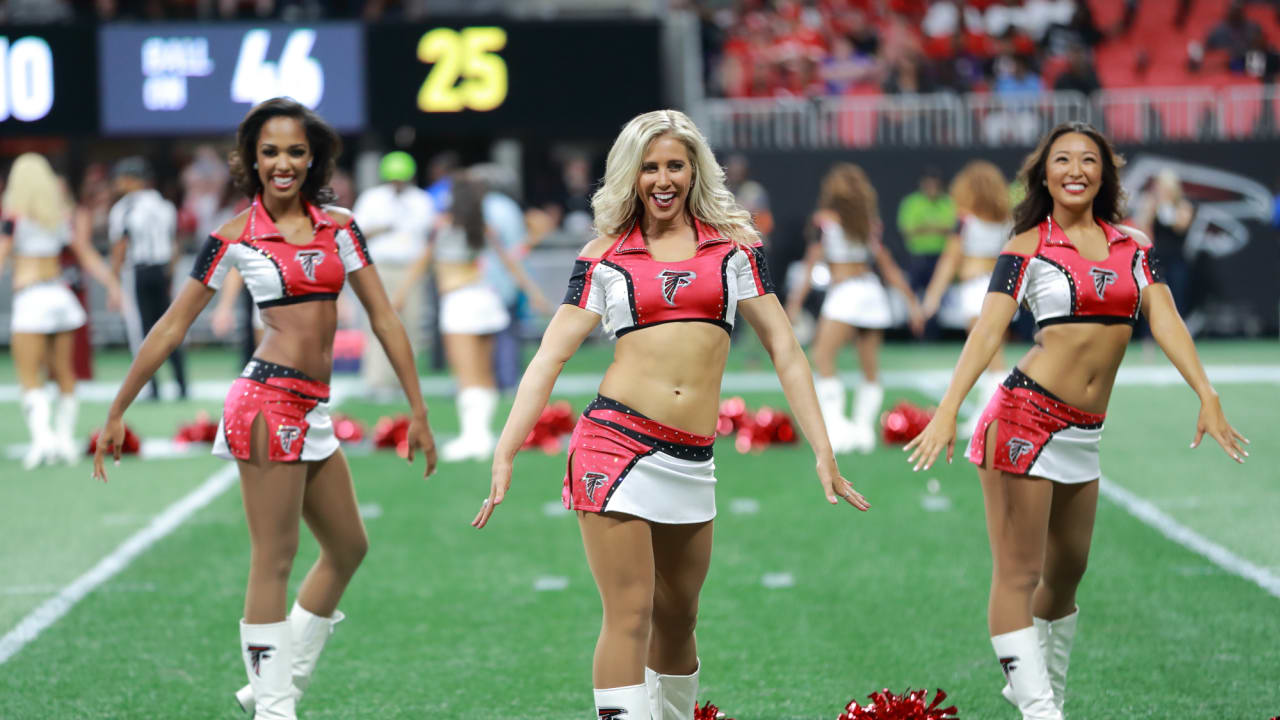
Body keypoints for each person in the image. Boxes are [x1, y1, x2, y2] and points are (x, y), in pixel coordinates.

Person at [471, 109, 870, 720]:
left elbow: (786, 349)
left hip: (692, 458)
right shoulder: (604, 254)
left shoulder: (734, 247)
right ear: (631, 175)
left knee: (680, 619)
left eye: (675, 165)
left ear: (694, 171)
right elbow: (549, 356)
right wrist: (505, 451)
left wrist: (822, 448)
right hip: (615, 444)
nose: (663, 179)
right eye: (650, 166)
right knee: (630, 612)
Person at [91, 98, 438, 720]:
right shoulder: (232, 235)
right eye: (271, 151)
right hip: (265, 403)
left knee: (349, 547)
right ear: (252, 159)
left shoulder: (341, 225)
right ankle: (276, 709)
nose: (283, 163)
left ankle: (277, 682)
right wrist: (118, 409)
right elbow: (171, 327)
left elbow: (384, 317)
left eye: (296, 151)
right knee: (273, 559)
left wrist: (418, 409)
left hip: (314, 409)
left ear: (314, 158)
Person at [906, 122, 1248, 720]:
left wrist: (1207, 392)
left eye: (1088, 160)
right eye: (1062, 159)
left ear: (1104, 174)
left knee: (1065, 579)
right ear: (1044, 173)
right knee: (1019, 574)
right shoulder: (1025, 244)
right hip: (1024, 422)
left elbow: (1164, 319)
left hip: (1084, 433)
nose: (1075, 169)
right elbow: (988, 329)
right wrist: (947, 410)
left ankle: (1045, 693)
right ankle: (1042, 711)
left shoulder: (1132, 245)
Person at [394, 171, 550, 462]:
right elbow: (512, 263)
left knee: (467, 377)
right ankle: (482, 436)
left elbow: (421, 264)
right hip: (486, 300)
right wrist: (534, 294)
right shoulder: (483, 227)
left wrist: (400, 294)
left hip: (459, 303)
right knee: (484, 375)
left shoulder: (442, 226)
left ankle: (472, 437)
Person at [786, 163, 924, 454]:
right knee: (869, 367)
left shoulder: (825, 220)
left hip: (847, 293)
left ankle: (836, 427)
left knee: (822, 355)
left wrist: (795, 303)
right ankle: (863, 432)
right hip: (872, 292)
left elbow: (811, 261)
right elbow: (887, 266)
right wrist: (911, 303)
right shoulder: (868, 222)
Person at [1, 153, 122, 469]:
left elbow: (1, 257)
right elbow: (85, 254)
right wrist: (112, 283)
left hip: (31, 299)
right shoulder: (60, 217)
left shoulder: (12, 217)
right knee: (64, 372)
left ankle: (43, 441)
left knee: (29, 376)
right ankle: (64, 441)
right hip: (60, 296)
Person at [921, 160, 1015, 434]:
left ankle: (993, 419)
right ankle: (991, 416)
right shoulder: (1004, 220)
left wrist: (932, 296)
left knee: (987, 356)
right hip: (999, 288)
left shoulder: (965, 221)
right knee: (991, 354)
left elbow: (951, 258)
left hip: (977, 290)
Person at [351, 150, 436, 398]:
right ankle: (378, 381)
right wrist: (383, 228)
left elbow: (428, 237)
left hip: (412, 268)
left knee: (412, 324)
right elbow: (357, 234)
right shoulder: (372, 199)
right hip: (380, 268)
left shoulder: (421, 200)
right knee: (378, 322)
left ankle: (405, 381)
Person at [108, 156, 188, 401]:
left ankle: (152, 388)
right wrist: (171, 277)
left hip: (139, 272)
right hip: (162, 272)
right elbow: (174, 245)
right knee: (170, 329)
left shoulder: (125, 207)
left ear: (132, 179)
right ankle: (182, 384)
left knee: (141, 331)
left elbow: (120, 247)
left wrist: (113, 282)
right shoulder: (164, 205)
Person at [1135, 168, 1195, 315]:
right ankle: (1150, 334)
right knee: (1155, 297)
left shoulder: (1183, 205)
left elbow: (1181, 227)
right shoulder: (1153, 205)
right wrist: (1150, 208)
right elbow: (1142, 229)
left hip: (1176, 259)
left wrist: (1169, 211)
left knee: (1177, 296)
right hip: (1157, 259)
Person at [897, 166, 956, 300]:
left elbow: (953, 228)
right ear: (922, 183)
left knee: (941, 296)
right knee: (913, 296)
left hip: (941, 257)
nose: (932, 187)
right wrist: (938, 228)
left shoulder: (947, 202)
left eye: (935, 183)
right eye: (929, 183)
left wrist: (924, 227)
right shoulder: (912, 202)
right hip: (917, 258)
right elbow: (907, 230)